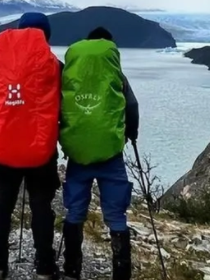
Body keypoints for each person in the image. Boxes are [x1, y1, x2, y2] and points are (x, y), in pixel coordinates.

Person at [0, 12, 62, 280]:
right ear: (45, 34)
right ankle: (44, 268)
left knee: (1, 206)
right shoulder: (53, 64)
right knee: (41, 207)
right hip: (41, 150)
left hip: (4, 146)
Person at [59, 27, 139, 280]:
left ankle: (72, 270)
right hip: (110, 154)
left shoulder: (69, 73)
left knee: (75, 212)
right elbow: (132, 106)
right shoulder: (117, 76)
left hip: (78, 152)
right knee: (116, 215)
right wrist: (131, 133)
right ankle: (121, 273)